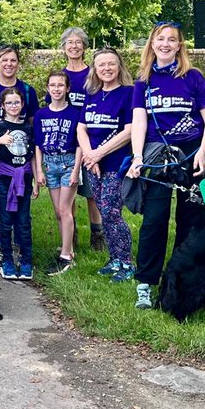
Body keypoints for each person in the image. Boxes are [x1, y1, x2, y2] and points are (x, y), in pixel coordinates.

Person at [126, 23, 205, 311]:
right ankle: (145, 283)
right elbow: (139, 120)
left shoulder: (192, 77)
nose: (165, 44)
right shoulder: (143, 79)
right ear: (152, 44)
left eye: (172, 40)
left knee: (189, 220)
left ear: (180, 46)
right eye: (160, 39)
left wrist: (202, 152)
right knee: (154, 220)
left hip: (191, 154)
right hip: (157, 156)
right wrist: (137, 156)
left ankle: (178, 279)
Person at [77, 49, 136, 286]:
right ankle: (114, 259)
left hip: (116, 164)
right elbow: (81, 127)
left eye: (111, 64)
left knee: (112, 211)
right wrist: (90, 156)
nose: (106, 69)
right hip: (94, 165)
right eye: (101, 65)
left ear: (119, 66)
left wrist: (99, 153)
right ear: (95, 69)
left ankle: (127, 263)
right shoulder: (92, 94)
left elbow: (130, 131)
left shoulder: (129, 93)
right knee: (104, 211)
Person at [0, 86, 37, 280]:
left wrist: (38, 179)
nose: (14, 106)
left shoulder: (28, 129)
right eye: (9, 103)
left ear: (22, 104)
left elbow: (32, 156)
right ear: (3, 106)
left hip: (24, 180)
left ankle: (26, 260)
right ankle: (7, 260)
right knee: (5, 221)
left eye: (17, 102)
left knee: (22, 221)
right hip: (4, 179)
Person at [60, 26, 104, 252]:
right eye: (69, 42)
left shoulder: (93, 74)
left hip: (90, 140)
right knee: (69, 189)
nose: (74, 46)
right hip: (66, 140)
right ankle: (72, 233)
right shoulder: (60, 76)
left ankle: (98, 235)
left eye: (78, 42)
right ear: (64, 47)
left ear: (85, 46)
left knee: (92, 191)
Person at [34, 70, 83, 275]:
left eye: (60, 85)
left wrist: (76, 171)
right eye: (52, 85)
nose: (56, 89)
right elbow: (37, 144)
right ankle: (67, 247)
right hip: (50, 164)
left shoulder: (75, 113)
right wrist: (39, 170)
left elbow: (81, 144)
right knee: (58, 211)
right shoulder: (41, 114)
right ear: (48, 88)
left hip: (69, 162)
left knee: (65, 209)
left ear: (68, 88)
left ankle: (66, 256)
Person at [0, 45, 40, 180]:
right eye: (4, 60)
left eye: (13, 60)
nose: (9, 64)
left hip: (21, 153)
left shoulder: (28, 91)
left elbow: (34, 127)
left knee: (21, 195)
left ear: (18, 63)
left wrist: (36, 163)